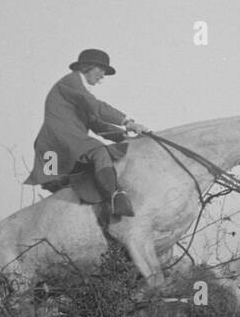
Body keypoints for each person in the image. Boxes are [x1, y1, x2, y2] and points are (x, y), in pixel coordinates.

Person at [24, 49, 149, 217]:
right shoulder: (71, 82)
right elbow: (97, 108)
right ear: (87, 67)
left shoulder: (78, 91)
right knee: (100, 152)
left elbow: (95, 123)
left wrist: (123, 136)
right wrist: (128, 122)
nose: (102, 76)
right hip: (57, 144)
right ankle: (115, 198)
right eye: (101, 70)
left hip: (55, 148)